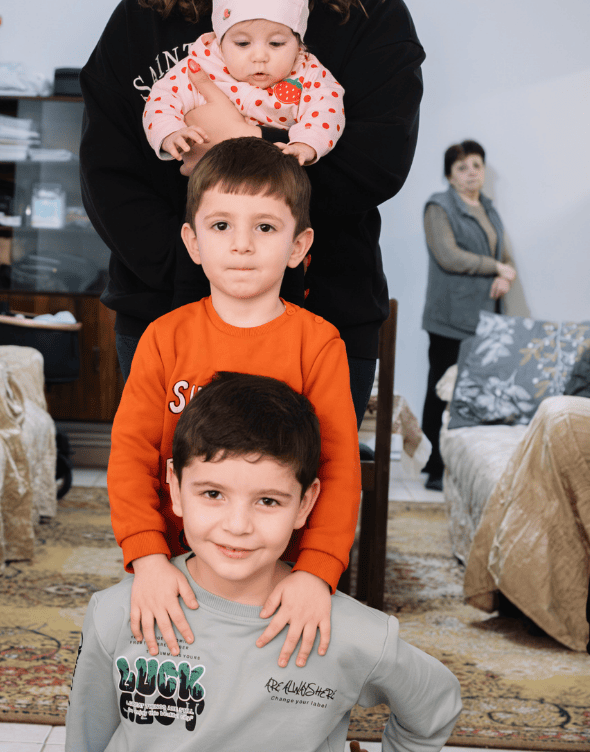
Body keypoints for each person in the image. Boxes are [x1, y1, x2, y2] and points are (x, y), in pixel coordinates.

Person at [79, 0, 425, 425]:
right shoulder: (143, 20)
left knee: (303, 515)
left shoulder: (372, 18)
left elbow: (374, 165)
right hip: (164, 315)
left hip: (323, 318)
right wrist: (191, 275)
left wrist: (238, 142)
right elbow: (107, 174)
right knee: (174, 512)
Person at [66, 371, 462, 752]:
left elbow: (435, 705)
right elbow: (87, 738)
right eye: (212, 494)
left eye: (268, 500)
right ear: (176, 487)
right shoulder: (116, 614)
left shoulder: (352, 633)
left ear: (305, 504)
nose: (238, 526)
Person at [108, 137, 360, 672]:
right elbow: (129, 457)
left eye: (265, 227)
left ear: (298, 245)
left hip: (280, 573)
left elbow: (338, 471)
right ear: (193, 241)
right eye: (221, 226)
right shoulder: (163, 339)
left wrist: (315, 573)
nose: (242, 245)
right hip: (177, 567)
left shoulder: (317, 345)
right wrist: (149, 559)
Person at [144, 0, 344, 171]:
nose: (259, 56)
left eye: (277, 43)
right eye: (242, 43)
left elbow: (327, 109)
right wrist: (169, 132)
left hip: (276, 183)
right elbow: (162, 98)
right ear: (220, 41)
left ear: (299, 43)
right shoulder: (204, 65)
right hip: (212, 182)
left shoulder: (308, 72)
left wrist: (306, 144)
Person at [420, 139, 517, 490]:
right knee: (441, 389)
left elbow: (502, 255)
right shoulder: (439, 206)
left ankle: (463, 466)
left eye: (476, 165)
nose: (471, 172)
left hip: (485, 317)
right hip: (449, 317)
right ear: (450, 174)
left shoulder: (488, 207)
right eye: (462, 167)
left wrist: (504, 275)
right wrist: (495, 267)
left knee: (474, 392)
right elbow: (449, 255)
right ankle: (433, 465)